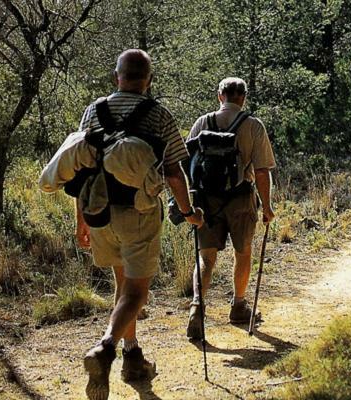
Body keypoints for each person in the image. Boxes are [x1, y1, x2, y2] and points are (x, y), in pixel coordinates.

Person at [77, 49, 204, 400]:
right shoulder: (158, 115)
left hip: (99, 211)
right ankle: (106, 348)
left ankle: (132, 355)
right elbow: (175, 171)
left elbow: (82, 166)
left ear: (117, 75)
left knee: (122, 286)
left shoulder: (93, 111)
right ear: (148, 79)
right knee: (136, 293)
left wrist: (81, 220)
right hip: (140, 212)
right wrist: (188, 211)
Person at [185, 77, 276, 339]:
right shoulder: (253, 126)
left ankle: (197, 306)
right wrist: (267, 206)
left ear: (219, 96)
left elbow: (187, 163)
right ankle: (238, 305)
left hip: (206, 202)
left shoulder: (202, 123)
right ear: (243, 98)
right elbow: (261, 171)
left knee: (206, 257)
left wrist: (189, 204)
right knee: (243, 252)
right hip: (240, 198)